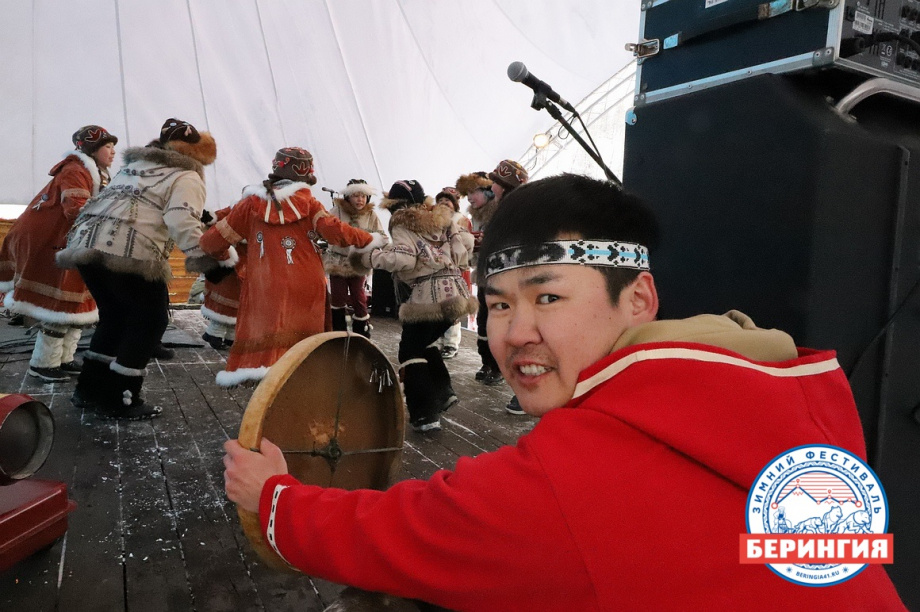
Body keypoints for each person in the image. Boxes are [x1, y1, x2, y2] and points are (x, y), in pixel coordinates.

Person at [223, 174, 906, 611]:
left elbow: (406, 532)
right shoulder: (797, 413)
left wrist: (273, 497)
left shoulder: (575, 481)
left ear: (638, 297)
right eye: (494, 305)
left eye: (548, 296)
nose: (515, 332)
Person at [57, 118, 226, 420]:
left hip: (86, 245)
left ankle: (89, 389)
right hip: (131, 253)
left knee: (115, 318)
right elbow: (180, 220)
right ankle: (122, 397)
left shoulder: (135, 167)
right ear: (197, 153)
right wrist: (207, 262)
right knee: (150, 321)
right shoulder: (187, 175)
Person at [199, 147, 387, 387]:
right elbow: (336, 231)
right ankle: (298, 390)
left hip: (262, 285)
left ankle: (265, 391)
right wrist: (369, 239)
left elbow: (210, 242)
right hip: (306, 282)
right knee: (303, 348)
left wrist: (226, 255)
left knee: (264, 341)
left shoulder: (249, 205)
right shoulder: (309, 204)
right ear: (306, 174)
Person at [352, 180, 476, 432]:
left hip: (428, 298)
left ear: (394, 203)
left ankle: (424, 414)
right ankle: (442, 392)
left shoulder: (401, 221)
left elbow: (402, 258)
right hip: (457, 294)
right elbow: (466, 246)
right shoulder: (442, 217)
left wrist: (368, 256)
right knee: (425, 343)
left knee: (409, 351)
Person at [0, 125, 117, 382]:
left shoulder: (94, 172)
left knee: (74, 303)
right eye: (107, 146)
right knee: (60, 302)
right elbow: (76, 208)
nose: (113, 152)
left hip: (70, 242)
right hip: (52, 243)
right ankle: (43, 364)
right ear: (91, 148)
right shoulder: (75, 170)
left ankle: (63, 359)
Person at [323, 179, 386, 338]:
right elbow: (325, 230)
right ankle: (338, 332)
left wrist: (367, 243)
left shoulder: (371, 214)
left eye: (363, 196)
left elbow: (382, 236)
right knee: (338, 298)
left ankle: (361, 331)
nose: (360, 200)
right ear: (348, 197)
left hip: (358, 263)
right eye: (356, 196)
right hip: (338, 262)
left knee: (359, 298)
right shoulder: (336, 211)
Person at [433, 186, 472, 359]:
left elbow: (468, 243)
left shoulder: (462, 220)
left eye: (447, 201)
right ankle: (438, 340)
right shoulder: (432, 221)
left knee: (453, 308)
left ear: (455, 204)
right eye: (440, 201)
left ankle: (451, 343)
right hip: (437, 269)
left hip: (456, 269)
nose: (443, 204)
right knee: (438, 306)